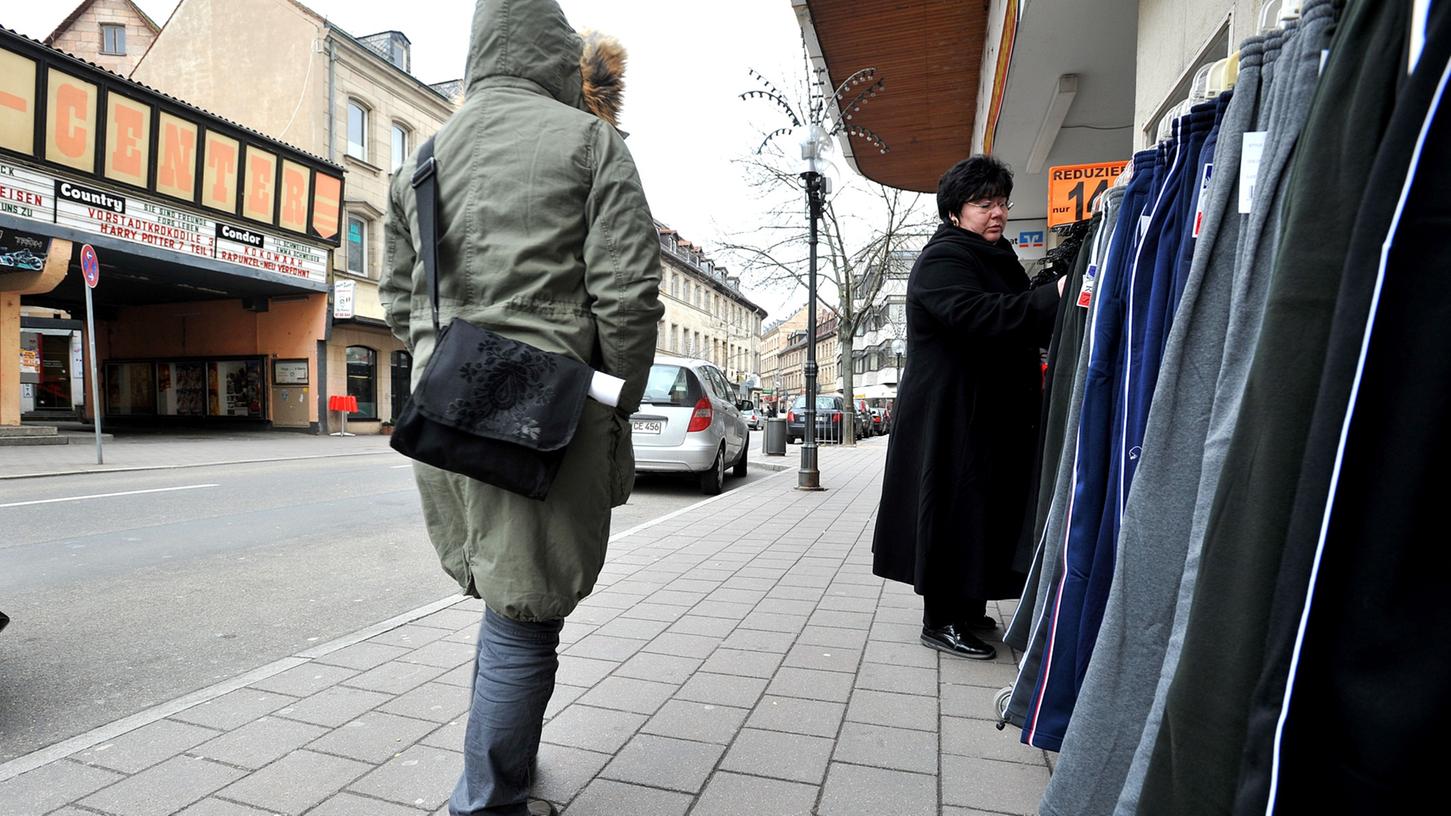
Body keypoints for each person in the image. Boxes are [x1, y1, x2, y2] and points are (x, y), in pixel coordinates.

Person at [379, 1, 662, 814]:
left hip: (445, 407)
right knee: (526, 613)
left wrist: (452, 354)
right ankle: (489, 802)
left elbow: (402, 300)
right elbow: (629, 298)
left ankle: (500, 774)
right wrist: (610, 395)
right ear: (554, 53)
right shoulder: (589, 143)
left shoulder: (423, 159)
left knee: (505, 598)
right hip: (546, 417)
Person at [871, 155, 1062, 660]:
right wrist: (1055, 294)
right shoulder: (943, 260)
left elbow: (1020, 317)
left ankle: (969, 604)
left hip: (988, 411)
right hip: (951, 413)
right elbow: (982, 315)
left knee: (984, 508)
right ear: (956, 211)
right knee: (953, 507)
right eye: (984, 204)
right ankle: (939, 619)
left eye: (1001, 203)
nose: (997, 213)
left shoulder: (993, 257)